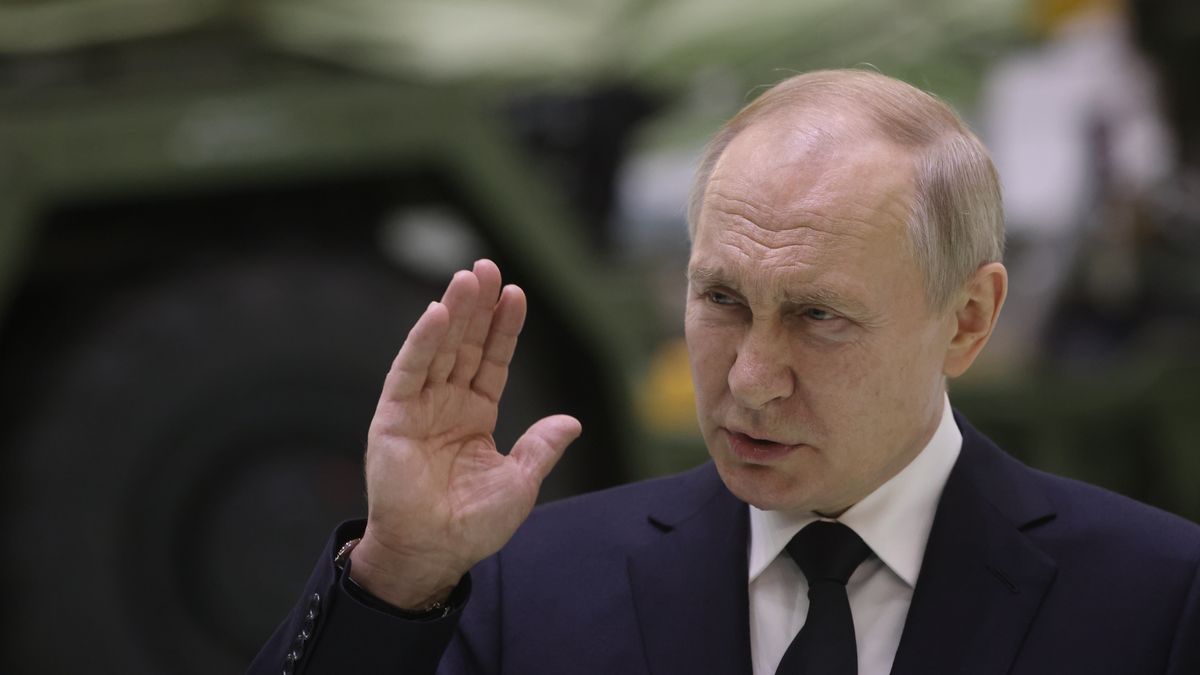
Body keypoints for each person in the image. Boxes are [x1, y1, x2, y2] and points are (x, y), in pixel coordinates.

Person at [249, 70, 1200, 675]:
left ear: (969, 320)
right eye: (722, 301)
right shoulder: (522, 589)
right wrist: (397, 573)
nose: (749, 378)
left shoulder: (1155, 598)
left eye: (818, 316)